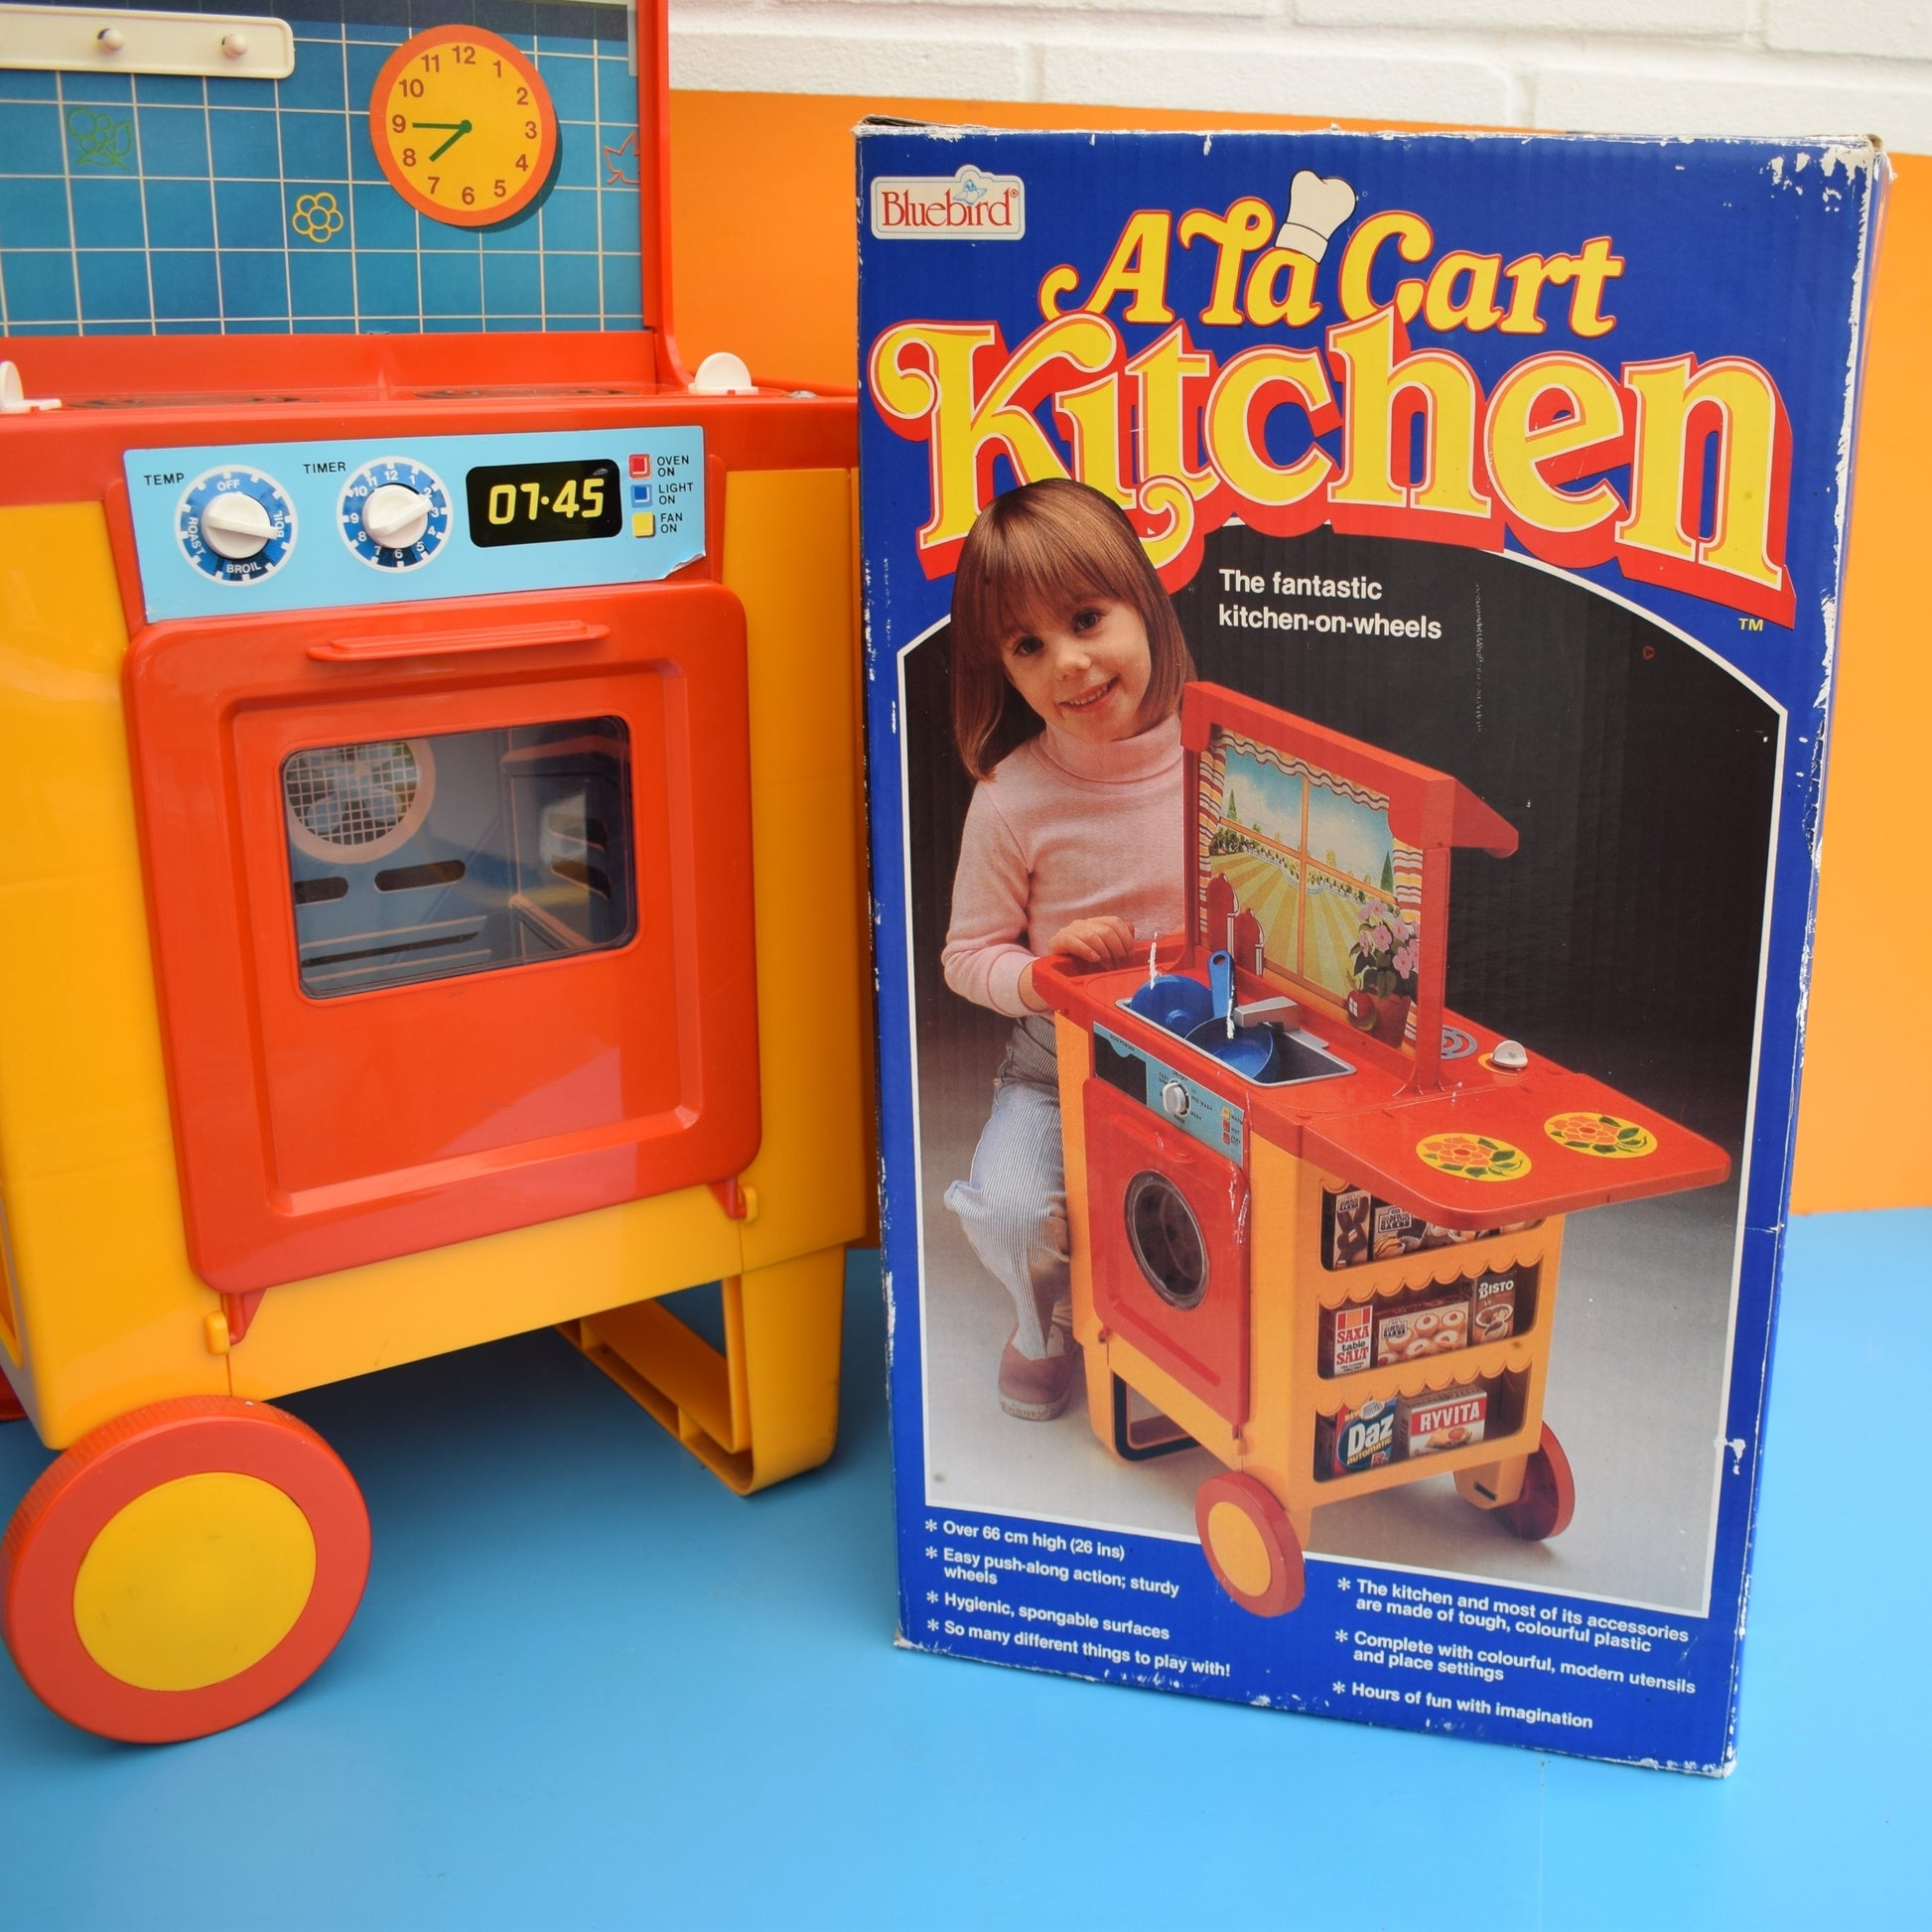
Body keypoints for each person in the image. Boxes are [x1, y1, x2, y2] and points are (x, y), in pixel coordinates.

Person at [940, 479, 1195, 1420]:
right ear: (1003, 670)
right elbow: (968, 955)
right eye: (1028, 646)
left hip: (1211, 1064)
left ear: (1144, 603)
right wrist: (1044, 975)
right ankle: (1038, 1322)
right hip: (1060, 1068)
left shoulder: (1225, 753)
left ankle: (1193, 1335)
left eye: (1087, 619)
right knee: (1013, 1212)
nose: (1070, 663)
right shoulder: (1013, 795)